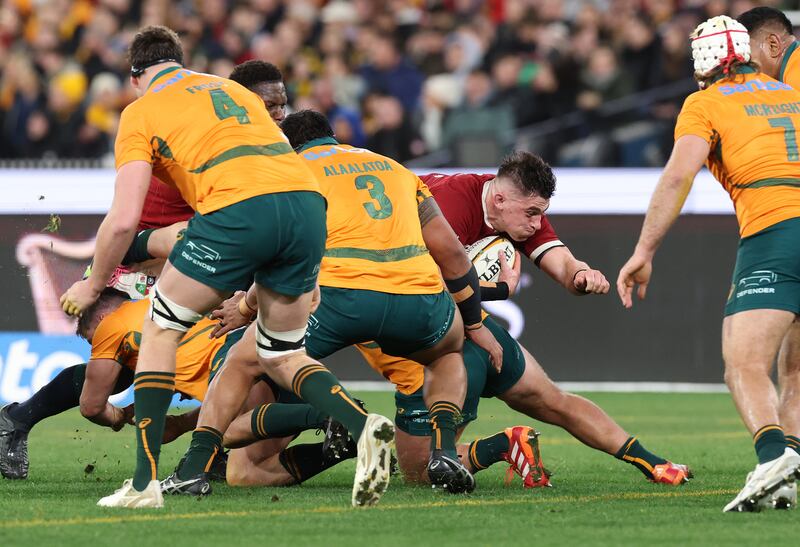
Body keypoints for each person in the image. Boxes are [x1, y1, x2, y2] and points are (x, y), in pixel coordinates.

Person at [58, 25, 391, 509]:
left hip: (238, 208)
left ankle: (144, 483)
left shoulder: (141, 110)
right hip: (306, 206)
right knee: (281, 352)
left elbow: (124, 219)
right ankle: (363, 427)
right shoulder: (230, 89)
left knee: (160, 328)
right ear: (180, 61)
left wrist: (92, 286)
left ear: (135, 77)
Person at [169, 110, 503, 500]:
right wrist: (474, 324)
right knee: (447, 354)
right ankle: (443, 453)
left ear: (288, 145)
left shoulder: (289, 170)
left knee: (242, 363)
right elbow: (454, 257)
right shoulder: (396, 170)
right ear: (332, 137)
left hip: (336, 294)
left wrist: (245, 308)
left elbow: (278, 253)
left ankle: (193, 468)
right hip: (416, 295)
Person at [616, 15, 800, 513]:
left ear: (703, 63)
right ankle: (789, 471)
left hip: (776, 231)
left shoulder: (705, 102)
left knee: (744, 364)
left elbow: (679, 176)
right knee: (795, 366)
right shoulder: (791, 93)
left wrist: (644, 251)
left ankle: (773, 460)